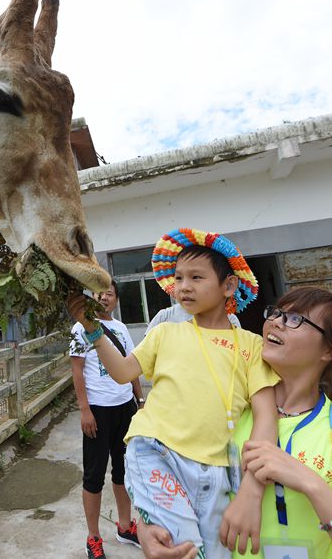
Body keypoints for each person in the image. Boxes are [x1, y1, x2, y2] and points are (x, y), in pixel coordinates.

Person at [140, 286, 332, 559]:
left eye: (296, 319)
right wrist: (148, 525)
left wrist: (312, 486)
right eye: (277, 313)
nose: (276, 322)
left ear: (331, 351)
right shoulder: (223, 412)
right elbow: (164, 467)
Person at [68, 228, 279, 559]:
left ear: (228, 286)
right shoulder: (164, 333)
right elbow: (122, 371)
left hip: (219, 469)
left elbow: (267, 417)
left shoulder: (252, 345)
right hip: (156, 452)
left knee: (217, 553)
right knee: (183, 550)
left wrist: (253, 490)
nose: (184, 286)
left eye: (196, 277)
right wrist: (93, 329)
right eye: (179, 278)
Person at [70, 279, 145, 558]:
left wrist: (140, 400)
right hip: (98, 411)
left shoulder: (121, 328)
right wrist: (84, 410)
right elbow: (77, 371)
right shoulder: (81, 328)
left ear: (116, 299)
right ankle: (93, 538)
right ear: (91, 296)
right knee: (94, 476)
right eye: (99, 293)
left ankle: (125, 527)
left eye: (109, 293)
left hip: (125, 407)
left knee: (124, 471)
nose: (104, 297)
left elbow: (131, 366)